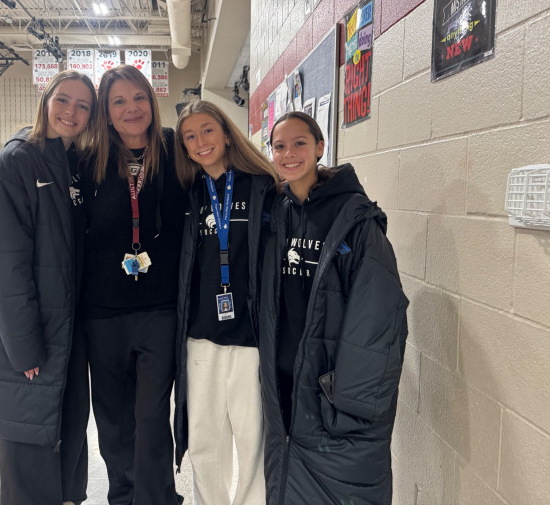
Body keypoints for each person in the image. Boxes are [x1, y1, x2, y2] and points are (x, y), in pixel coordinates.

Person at [259, 111, 408, 504]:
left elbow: (379, 315)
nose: (289, 153)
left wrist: (349, 399)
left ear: (320, 147)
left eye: (300, 143)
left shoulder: (355, 219)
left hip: (329, 387)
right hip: (282, 380)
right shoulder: (276, 214)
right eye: (279, 146)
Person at [0, 70, 96, 505]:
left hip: (68, 337)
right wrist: (24, 348)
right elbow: (4, 270)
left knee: (66, 448)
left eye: (83, 106)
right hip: (30, 345)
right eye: (63, 100)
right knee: (30, 459)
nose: (71, 112)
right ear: (45, 101)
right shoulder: (12, 166)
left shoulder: (72, 165)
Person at [79, 64, 186, 505]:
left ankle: (157, 498)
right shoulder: (88, 161)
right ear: (105, 112)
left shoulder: (176, 150)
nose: (131, 108)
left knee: (151, 416)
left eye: (139, 97)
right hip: (103, 312)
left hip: (159, 309)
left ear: (152, 101)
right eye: (118, 101)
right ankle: (123, 496)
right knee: (113, 418)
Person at [173, 100, 278, 505]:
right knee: (204, 441)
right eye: (190, 136)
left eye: (207, 130)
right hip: (201, 336)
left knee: (252, 440)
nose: (200, 141)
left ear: (227, 134)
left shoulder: (263, 187)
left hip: (250, 336)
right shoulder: (188, 195)